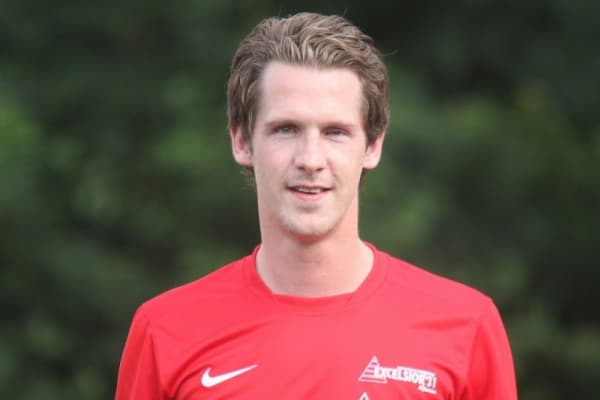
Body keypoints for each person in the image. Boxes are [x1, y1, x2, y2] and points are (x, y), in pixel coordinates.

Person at [115, 12, 517, 399]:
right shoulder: (164, 330)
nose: (310, 159)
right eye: (286, 129)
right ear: (242, 141)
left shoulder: (466, 326)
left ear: (373, 145)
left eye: (335, 132)